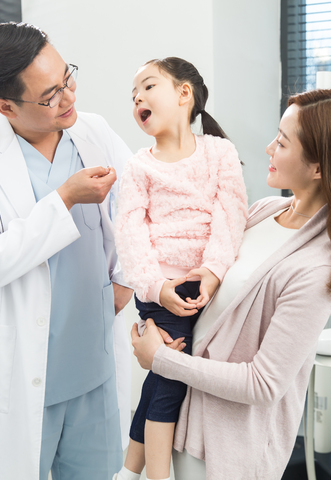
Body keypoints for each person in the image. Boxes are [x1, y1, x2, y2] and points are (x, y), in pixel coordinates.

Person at [131, 89, 331, 479]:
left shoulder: (316, 268)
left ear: (318, 167)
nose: (269, 148)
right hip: (182, 419)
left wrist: (161, 359)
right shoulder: (263, 212)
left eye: (282, 142)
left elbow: (263, 384)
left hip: (227, 452)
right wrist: (154, 321)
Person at [0, 22, 134, 480]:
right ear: (5, 105)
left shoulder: (94, 132)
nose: (69, 97)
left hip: (95, 366)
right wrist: (63, 200)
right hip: (24, 375)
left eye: (67, 78)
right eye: (50, 95)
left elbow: (139, 206)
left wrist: (125, 279)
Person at [114, 58, 248, 480]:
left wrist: (213, 271)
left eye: (148, 86)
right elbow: (130, 234)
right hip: (162, 290)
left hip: (208, 286)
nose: (138, 98)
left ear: (183, 93)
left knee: (161, 375)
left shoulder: (219, 152)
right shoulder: (139, 166)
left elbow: (231, 214)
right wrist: (157, 287)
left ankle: (127, 474)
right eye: (133, 95)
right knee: (171, 382)